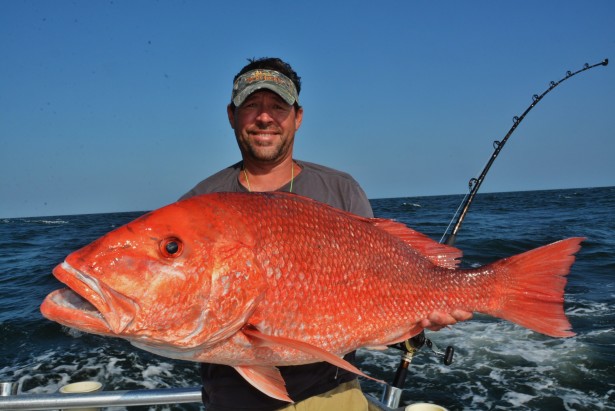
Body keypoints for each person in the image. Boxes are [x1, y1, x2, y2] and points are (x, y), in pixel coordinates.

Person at [180, 57, 471, 411]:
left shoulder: (340, 189)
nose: (265, 117)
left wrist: (425, 309)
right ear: (231, 115)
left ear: (297, 117)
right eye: (251, 105)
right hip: (234, 400)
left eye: (278, 106)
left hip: (332, 396)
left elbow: (381, 276)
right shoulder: (199, 203)